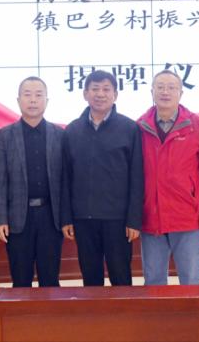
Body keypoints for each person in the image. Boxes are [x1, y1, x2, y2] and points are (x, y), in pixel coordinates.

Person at [61, 70, 144, 286]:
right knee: (90, 279)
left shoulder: (130, 128)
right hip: (83, 219)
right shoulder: (72, 131)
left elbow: (137, 177)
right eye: (95, 89)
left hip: (118, 220)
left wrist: (134, 220)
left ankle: (123, 310)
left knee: (121, 277)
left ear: (115, 95)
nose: (100, 94)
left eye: (106, 89)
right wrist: (66, 218)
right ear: (85, 94)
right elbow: (65, 179)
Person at [136, 70, 199, 285]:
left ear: (181, 93)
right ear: (152, 92)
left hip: (187, 216)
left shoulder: (196, 125)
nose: (165, 92)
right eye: (160, 87)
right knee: (153, 281)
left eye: (171, 87)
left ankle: (191, 311)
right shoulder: (139, 127)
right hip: (151, 217)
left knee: (191, 281)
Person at [0, 77, 65, 287]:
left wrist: (66, 219)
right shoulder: (4, 136)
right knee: (20, 281)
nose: (33, 100)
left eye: (38, 95)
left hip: (51, 218)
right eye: (27, 94)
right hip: (17, 219)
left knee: (50, 281)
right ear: (18, 100)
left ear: (46, 101)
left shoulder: (60, 135)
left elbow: (65, 181)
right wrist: (0, 219)